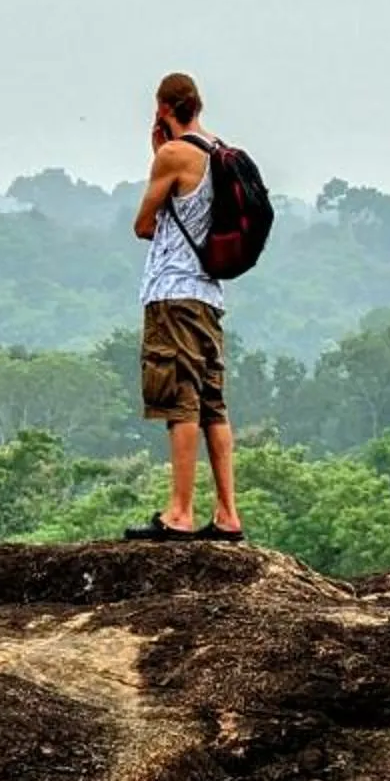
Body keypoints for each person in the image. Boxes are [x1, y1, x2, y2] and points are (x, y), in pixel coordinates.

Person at [125, 72, 243, 542]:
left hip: (174, 293)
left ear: (163, 109)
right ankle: (227, 514)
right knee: (213, 403)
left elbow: (142, 224)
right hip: (210, 294)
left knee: (180, 401)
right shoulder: (220, 151)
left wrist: (157, 154)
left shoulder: (174, 155)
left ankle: (180, 512)